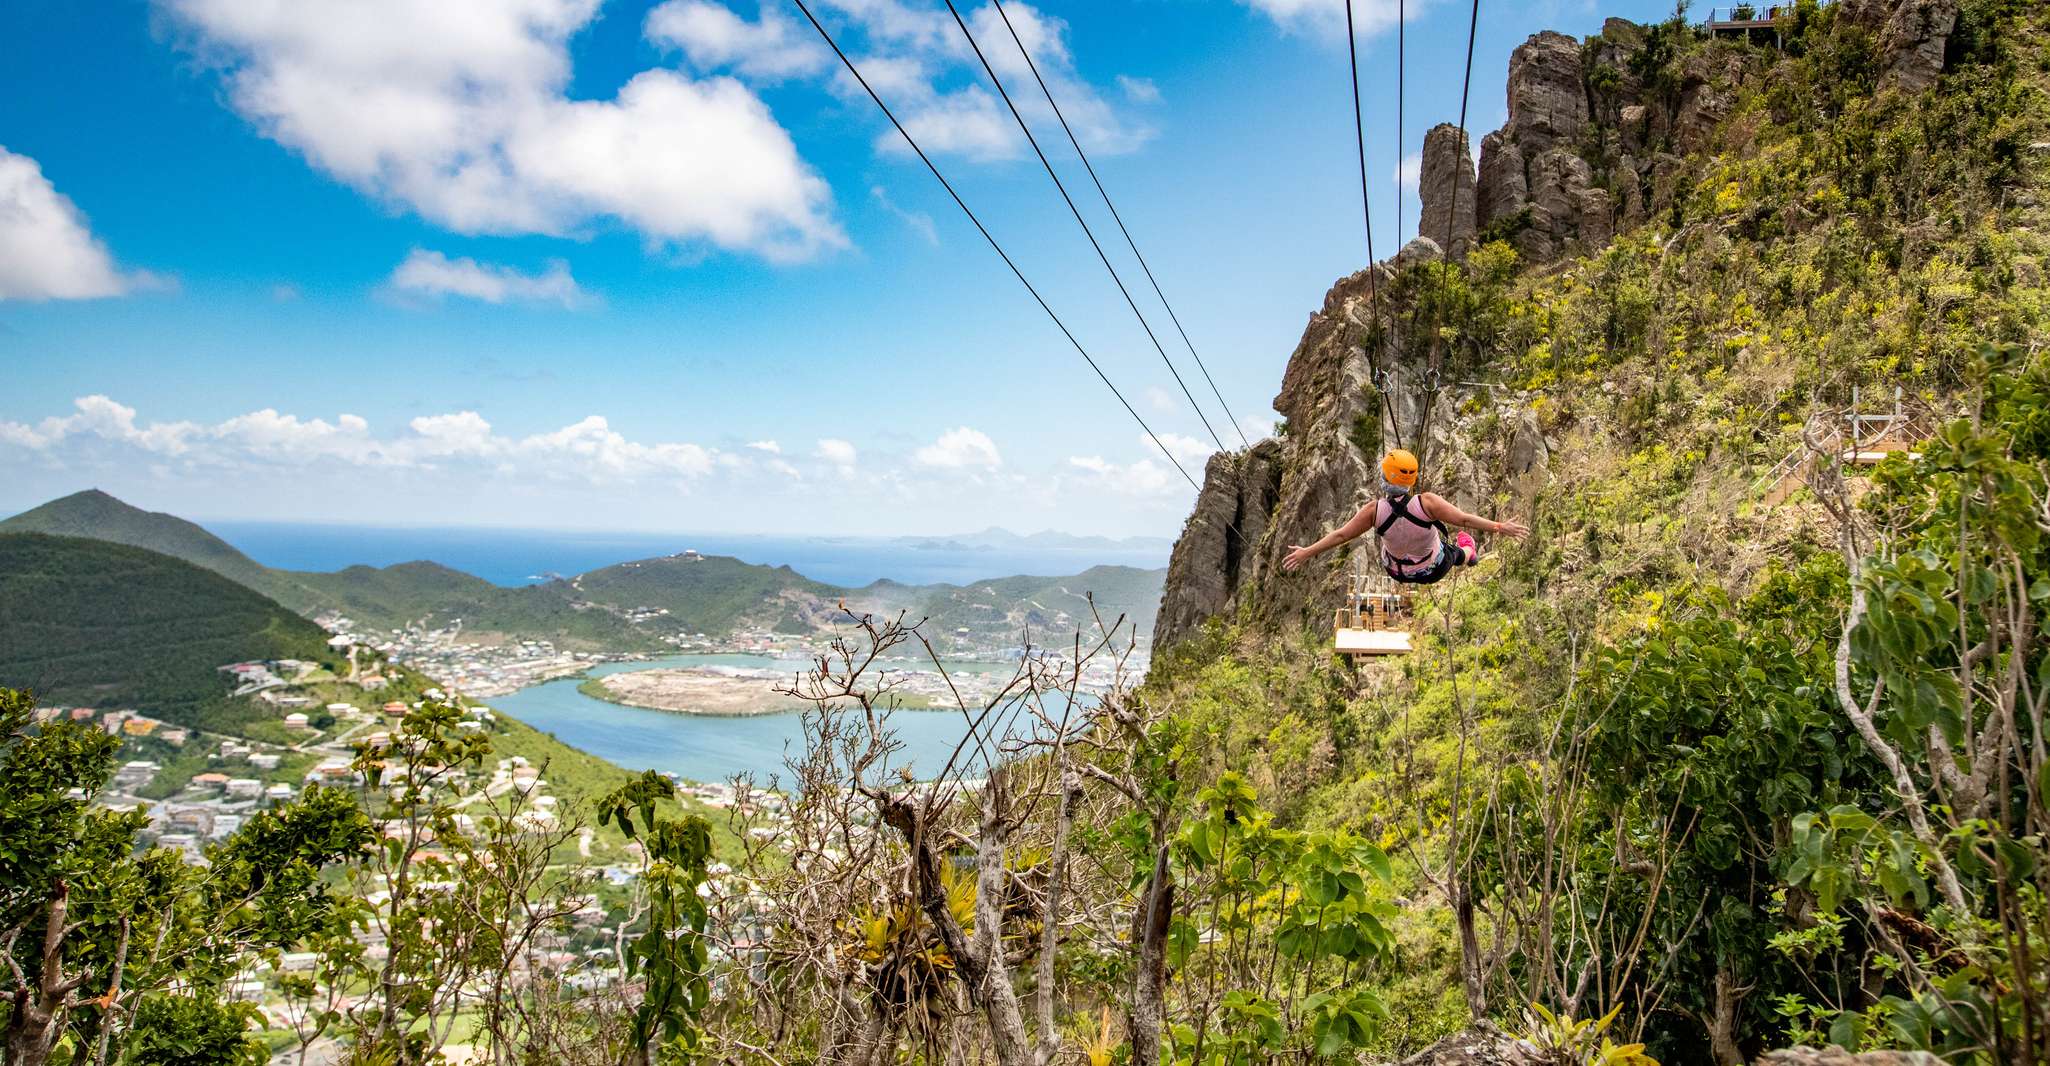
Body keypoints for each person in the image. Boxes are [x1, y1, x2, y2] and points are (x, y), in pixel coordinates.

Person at [1282, 448, 1529, 584]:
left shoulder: (1374, 510)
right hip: (1432, 570)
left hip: (1396, 572)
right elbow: (1463, 519)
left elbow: (1341, 535)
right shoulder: (1427, 502)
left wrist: (1307, 552)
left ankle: (1464, 553)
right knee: (1453, 552)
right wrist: (1499, 526)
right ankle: (1469, 554)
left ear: (1385, 479)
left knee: (1438, 549)